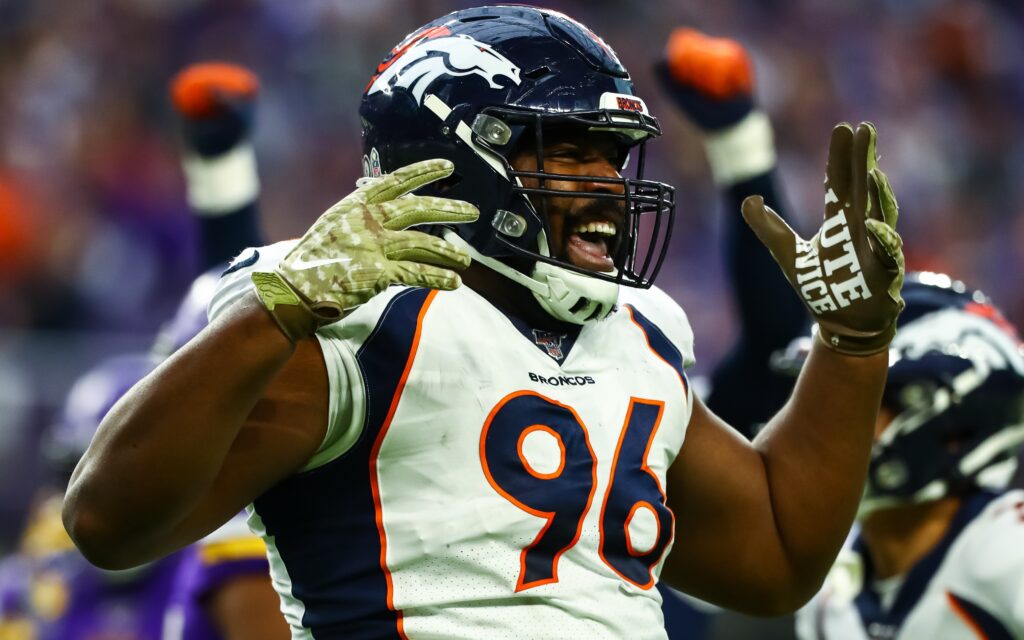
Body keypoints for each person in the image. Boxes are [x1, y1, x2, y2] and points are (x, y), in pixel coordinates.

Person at [63, 6, 905, 639]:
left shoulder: (640, 332)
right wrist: (271, 313)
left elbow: (777, 558)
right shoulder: (359, 321)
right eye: (568, 149)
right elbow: (109, 523)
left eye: (612, 154)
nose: (606, 182)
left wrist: (851, 347)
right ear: (458, 157)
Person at [790, 273, 1024, 639]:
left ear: (955, 426)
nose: (823, 423)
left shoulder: (1008, 550)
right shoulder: (827, 595)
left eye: (862, 401)